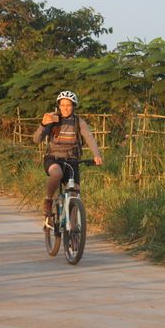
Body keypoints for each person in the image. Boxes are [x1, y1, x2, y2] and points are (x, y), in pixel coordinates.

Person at [33, 90, 103, 227]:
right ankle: (48, 201)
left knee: (75, 193)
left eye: (69, 105)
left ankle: (73, 233)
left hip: (72, 160)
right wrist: (43, 124)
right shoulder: (53, 119)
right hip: (53, 158)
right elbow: (36, 139)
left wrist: (97, 154)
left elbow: (89, 137)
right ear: (59, 106)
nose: (65, 108)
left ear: (73, 106)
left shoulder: (79, 122)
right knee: (57, 173)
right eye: (63, 105)